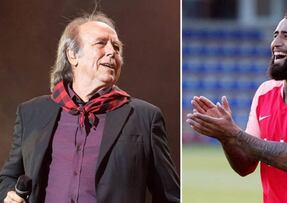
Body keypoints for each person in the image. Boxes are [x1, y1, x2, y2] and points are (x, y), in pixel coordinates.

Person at [0, 12, 180, 203]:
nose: (112, 52)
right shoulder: (31, 113)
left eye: (117, 47)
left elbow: (169, 196)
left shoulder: (145, 118)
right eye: (101, 43)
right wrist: (9, 195)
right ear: (72, 55)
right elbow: (9, 177)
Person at [187, 6, 287, 203]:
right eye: (275, 35)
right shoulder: (265, 92)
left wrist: (235, 134)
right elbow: (245, 166)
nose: (275, 43)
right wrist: (225, 138)